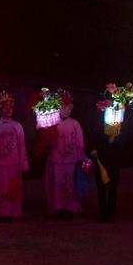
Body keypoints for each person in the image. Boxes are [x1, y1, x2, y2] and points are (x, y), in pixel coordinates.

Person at [0, 92, 29, 221]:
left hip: (13, 164)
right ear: (0, 109)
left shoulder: (17, 126)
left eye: (10, 107)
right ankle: (0, 212)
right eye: (5, 107)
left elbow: (22, 146)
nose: (8, 110)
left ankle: (11, 213)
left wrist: (22, 164)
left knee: (11, 189)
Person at [44, 91, 86, 220]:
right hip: (57, 159)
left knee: (69, 184)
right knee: (58, 183)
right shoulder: (52, 123)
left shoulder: (75, 124)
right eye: (64, 108)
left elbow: (80, 143)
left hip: (71, 159)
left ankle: (69, 208)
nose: (66, 111)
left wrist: (81, 158)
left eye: (68, 108)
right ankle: (59, 208)